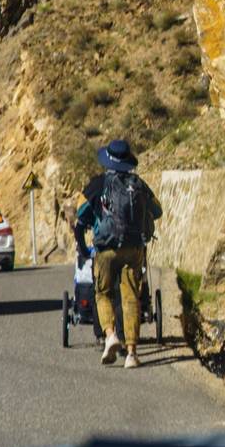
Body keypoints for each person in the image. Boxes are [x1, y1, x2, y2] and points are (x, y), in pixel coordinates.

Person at [74, 139, 162, 369]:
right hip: (134, 249)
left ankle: (111, 335)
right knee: (131, 297)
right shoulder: (139, 184)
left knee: (102, 293)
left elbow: (80, 213)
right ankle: (131, 353)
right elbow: (157, 210)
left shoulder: (98, 183)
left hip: (106, 249)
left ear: (108, 161)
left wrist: (84, 244)